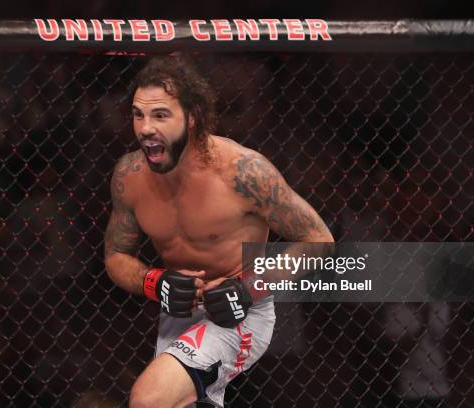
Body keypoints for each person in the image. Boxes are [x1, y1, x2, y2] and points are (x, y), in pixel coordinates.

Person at [104, 55, 333, 408]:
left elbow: (318, 240)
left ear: (192, 118)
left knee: (149, 399)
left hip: (240, 313)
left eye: (160, 115)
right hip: (177, 315)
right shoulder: (129, 176)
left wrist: (247, 289)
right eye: (138, 114)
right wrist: (155, 282)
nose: (145, 127)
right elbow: (116, 256)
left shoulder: (243, 172)